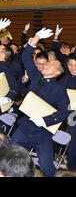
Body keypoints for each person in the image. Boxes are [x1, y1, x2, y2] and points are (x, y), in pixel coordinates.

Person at [11, 28, 69, 177]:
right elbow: (25, 56)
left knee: (46, 166)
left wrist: (44, 120)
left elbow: (64, 112)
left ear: (57, 72)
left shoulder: (60, 90)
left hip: (42, 131)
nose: (47, 65)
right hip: (25, 126)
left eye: (52, 65)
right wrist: (36, 38)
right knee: (10, 157)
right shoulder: (36, 76)